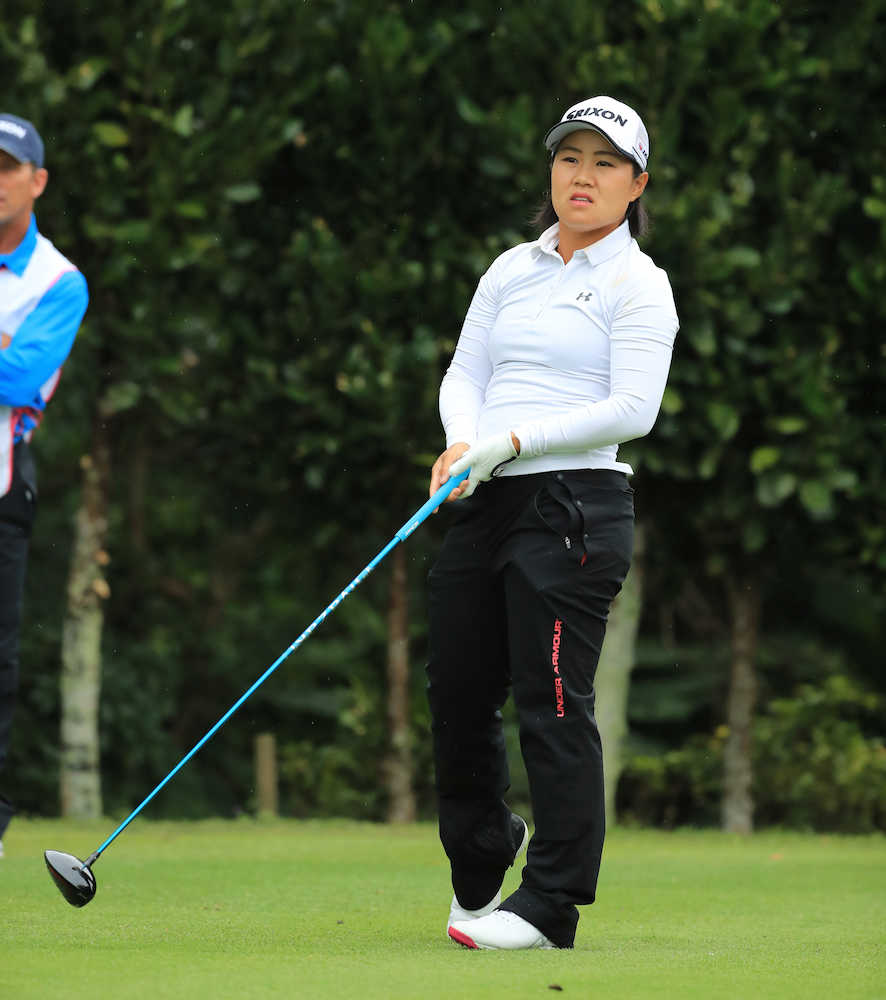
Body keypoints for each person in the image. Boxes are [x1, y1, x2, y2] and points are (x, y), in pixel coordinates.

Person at [426, 96, 678, 950]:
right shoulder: (511, 268)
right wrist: (461, 440)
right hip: (485, 500)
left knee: (554, 704)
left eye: (606, 163)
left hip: (575, 508)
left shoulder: (639, 283)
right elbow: (466, 370)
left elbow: (634, 409)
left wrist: (512, 439)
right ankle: (481, 854)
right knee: (459, 697)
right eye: (570, 157)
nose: (583, 175)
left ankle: (550, 906)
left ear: (636, 184)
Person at [0, 113, 88, 855]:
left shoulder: (58, 280)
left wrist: (10, 354)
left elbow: (20, 377)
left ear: (37, 181)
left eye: (7, 168)